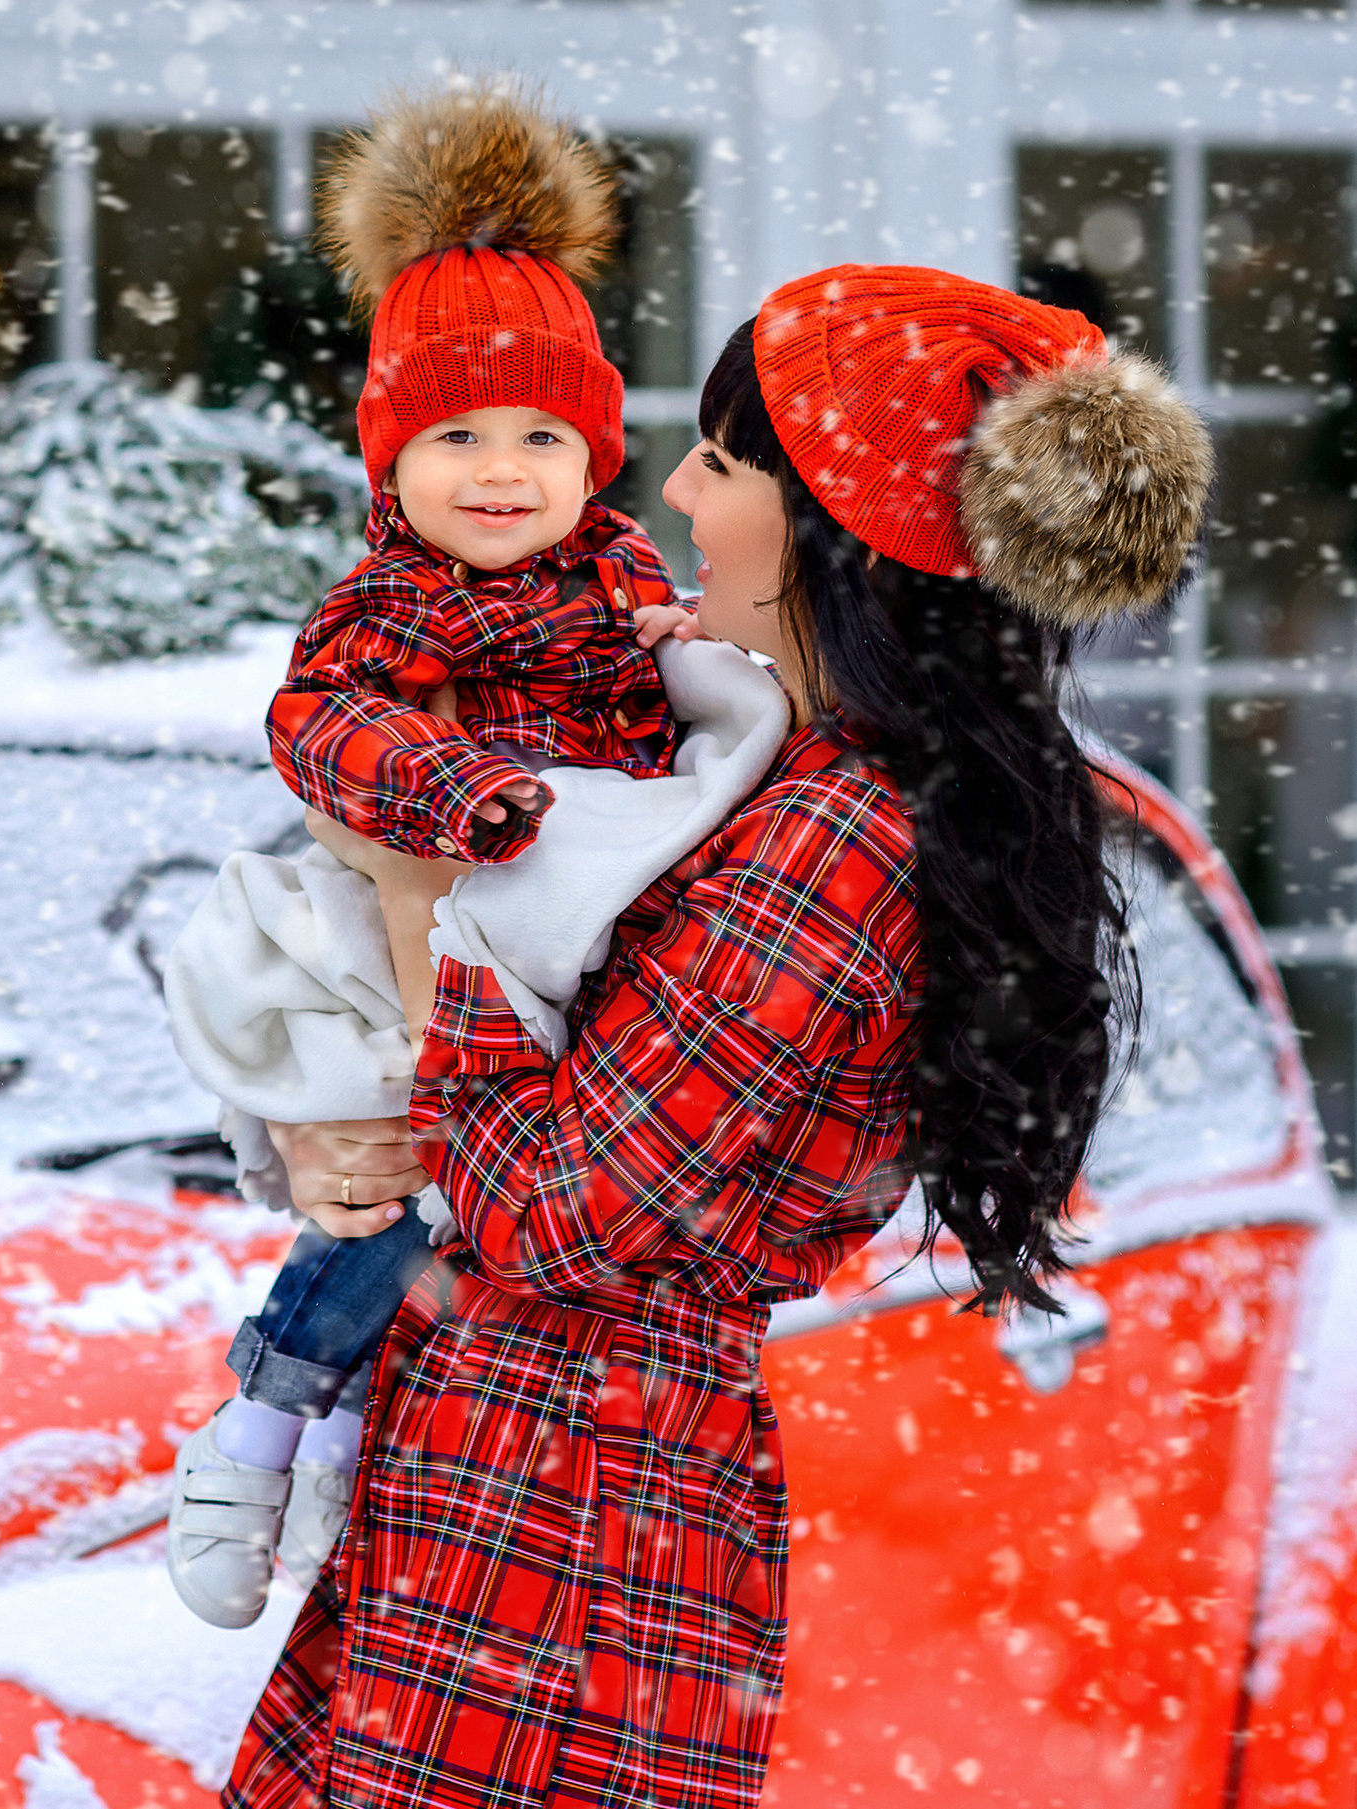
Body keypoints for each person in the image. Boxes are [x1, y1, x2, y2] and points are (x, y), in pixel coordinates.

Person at [222, 262, 1214, 1809]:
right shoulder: (746, 756)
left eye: (729, 460)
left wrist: (428, 902)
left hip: (565, 1501)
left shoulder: (837, 836)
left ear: (838, 530)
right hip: (523, 1456)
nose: (671, 483)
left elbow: (545, 1209)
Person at [161, 85, 798, 1633]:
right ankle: (256, 1422)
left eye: (541, 433)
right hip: (415, 961)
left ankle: (341, 1447)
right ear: (392, 460)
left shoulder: (626, 586)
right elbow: (319, 729)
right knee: (379, 1201)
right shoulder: (385, 607)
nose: (501, 468)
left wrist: (670, 649)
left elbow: (669, 718)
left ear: (592, 454)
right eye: (455, 435)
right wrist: (456, 789)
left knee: (456, 1220)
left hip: (552, 982)